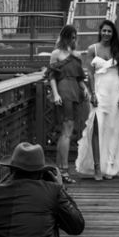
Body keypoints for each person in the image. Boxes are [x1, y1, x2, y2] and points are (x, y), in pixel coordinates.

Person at [76, 19, 119, 181]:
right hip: (100, 92)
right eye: (104, 30)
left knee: (113, 129)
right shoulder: (92, 49)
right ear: (100, 32)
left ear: (113, 34)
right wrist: (93, 94)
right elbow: (89, 73)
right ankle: (97, 167)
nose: (106, 33)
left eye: (109, 31)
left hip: (115, 92)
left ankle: (109, 166)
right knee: (97, 128)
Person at [48, 24, 89, 184]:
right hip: (64, 91)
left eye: (74, 37)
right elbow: (51, 76)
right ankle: (63, 170)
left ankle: (60, 170)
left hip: (75, 92)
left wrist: (85, 89)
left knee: (68, 131)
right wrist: (56, 94)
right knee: (66, 130)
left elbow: (79, 78)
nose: (73, 40)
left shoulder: (76, 55)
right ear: (64, 37)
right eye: (70, 37)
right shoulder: (56, 54)